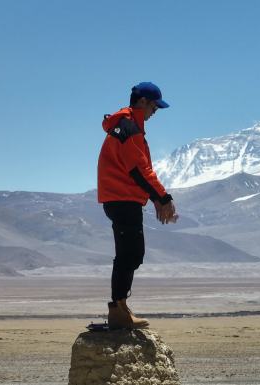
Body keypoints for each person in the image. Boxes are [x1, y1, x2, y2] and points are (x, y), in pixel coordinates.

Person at [97, 81, 178, 329]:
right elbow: (138, 170)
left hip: (122, 197)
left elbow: (138, 171)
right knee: (129, 254)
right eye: (154, 107)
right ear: (142, 101)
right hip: (121, 198)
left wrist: (154, 198)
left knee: (131, 254)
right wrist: (163, 198)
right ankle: (118, 310)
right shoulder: (128, 127)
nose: (155, 112)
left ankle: (120, 307)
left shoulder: (129, 127)